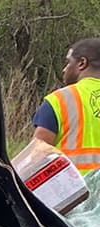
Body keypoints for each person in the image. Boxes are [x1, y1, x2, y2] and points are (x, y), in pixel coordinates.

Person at [33, 38, 100, 174]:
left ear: (82, 63)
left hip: (72, 193)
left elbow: (37, 157)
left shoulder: (60, 99)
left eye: (68, 62)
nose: (64, 69)